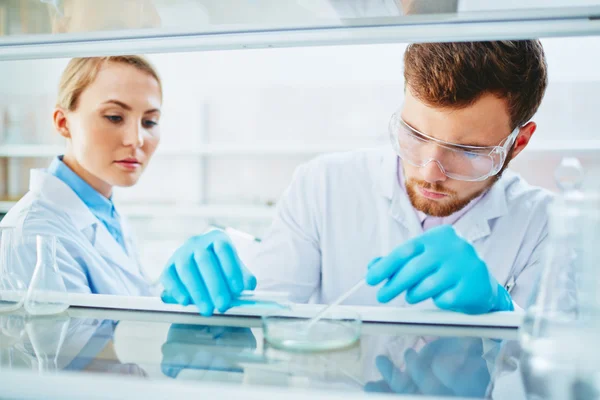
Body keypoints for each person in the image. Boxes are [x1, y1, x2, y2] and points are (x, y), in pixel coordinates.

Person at [161, 40, 552, 316]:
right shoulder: (323, 184)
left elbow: (561, 371)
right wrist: (216, 291)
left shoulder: (546, 225)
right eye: (415, 135)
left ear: (518, 142)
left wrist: (500, 310)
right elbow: (267, 310)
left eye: (468, 151)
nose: (430, 171)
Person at [1, 56, 162, 296]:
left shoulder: (104, 211)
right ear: (63, 122)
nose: (136, 139)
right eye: (115, 117)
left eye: (149, 122)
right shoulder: (33, 235)